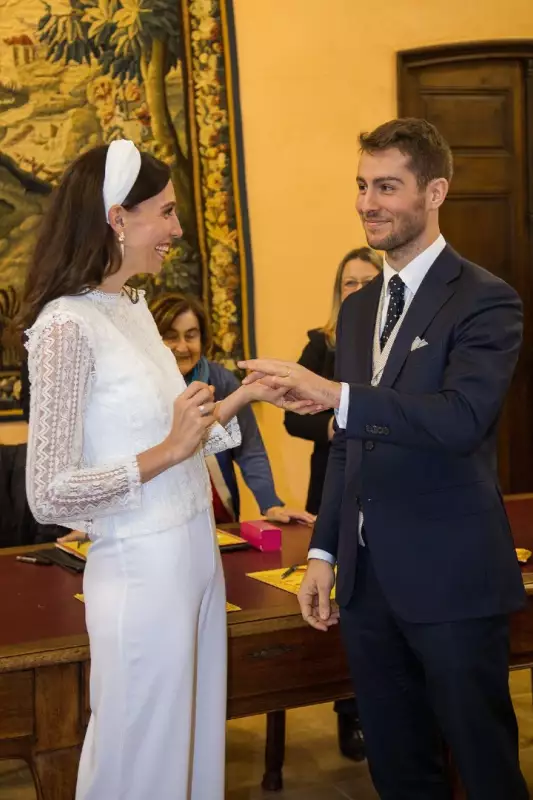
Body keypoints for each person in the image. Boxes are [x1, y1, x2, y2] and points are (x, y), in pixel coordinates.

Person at [239, 118, 529, 799]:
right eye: (362, 186)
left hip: (452, 581)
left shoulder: (486, 298)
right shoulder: (361, 306)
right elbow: (348, 446)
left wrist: (334, 393)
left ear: (434, 191)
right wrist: (323, 554)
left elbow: (460, 420)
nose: (368, 202)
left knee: (485, 769)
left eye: (387, 187)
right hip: (366, 590)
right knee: (397, 772)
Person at [22, 139, 286, 800]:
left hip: (193, 558)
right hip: (141, 574)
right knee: (142, 759)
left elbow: (171, 435)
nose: (175, 228)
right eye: (165, 213)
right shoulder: (65, 327)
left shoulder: (135, 311)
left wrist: (243, 397)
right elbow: (48, 490)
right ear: (118, 217)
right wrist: (169, 450)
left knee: (189, 751)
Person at [284, 247, 382, 762]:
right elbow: (290, 415)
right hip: (331, 485)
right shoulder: (321, 344)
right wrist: (334, 424)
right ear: (338, 289)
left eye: (369, 281)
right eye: (350, 283)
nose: (359, 290)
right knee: (339, 602)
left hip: (381, 493)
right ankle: (350, 713)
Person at [150, 292, 314, 527]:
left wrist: (270, 504)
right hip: (157, 515)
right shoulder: (139, 387)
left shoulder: (222, 381)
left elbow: (249, 448)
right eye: (171, 337)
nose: (182, 347)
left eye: (191, 335)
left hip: (217, 517)